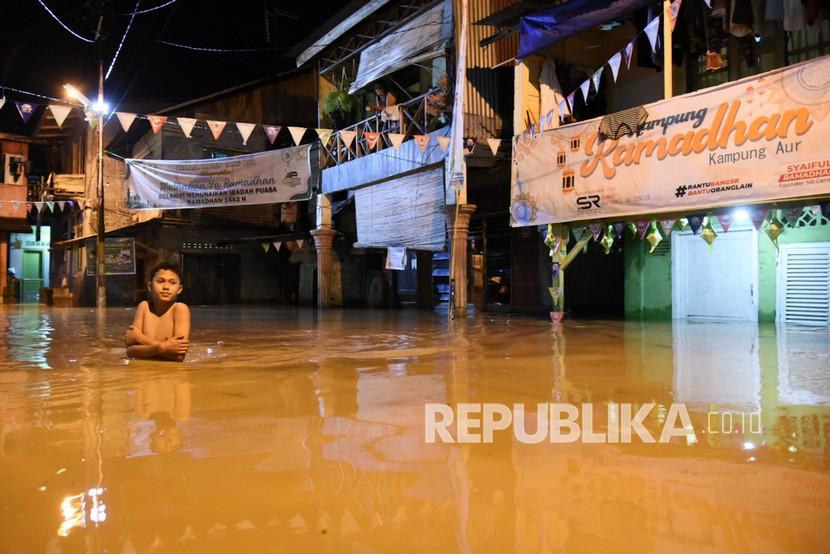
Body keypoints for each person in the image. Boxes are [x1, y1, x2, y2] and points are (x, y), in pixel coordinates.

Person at [125, 262, 190, 361]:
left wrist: (140, 339)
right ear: (150, 287)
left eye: (172, 283)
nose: (166, 287)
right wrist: (164, 348)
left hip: (169, 374)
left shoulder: (180, 309)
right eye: (160, 281)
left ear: (179, 289)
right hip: (143, 374)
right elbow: (130, 351)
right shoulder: (144, 307)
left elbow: (178, 356)